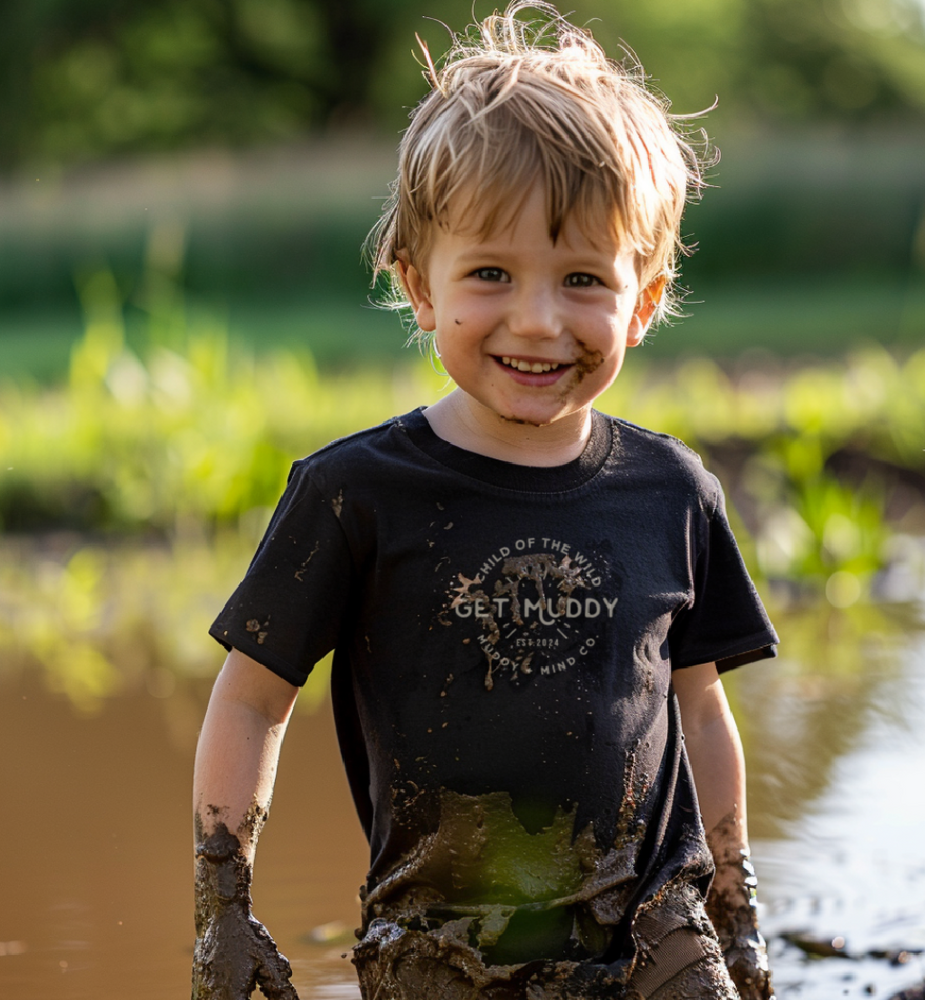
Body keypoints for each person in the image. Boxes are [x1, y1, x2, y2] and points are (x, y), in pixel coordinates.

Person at [191, 4, 778, 999]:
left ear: (643, 299)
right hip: (438, 943)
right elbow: (251, 701)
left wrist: (734, 898)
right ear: (421, 288)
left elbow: (702, 709)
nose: (538, 321)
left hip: (652, 930)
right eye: (492, 274)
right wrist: (222, 909)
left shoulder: (672, 492)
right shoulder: (353, 495)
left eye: (583, 277)